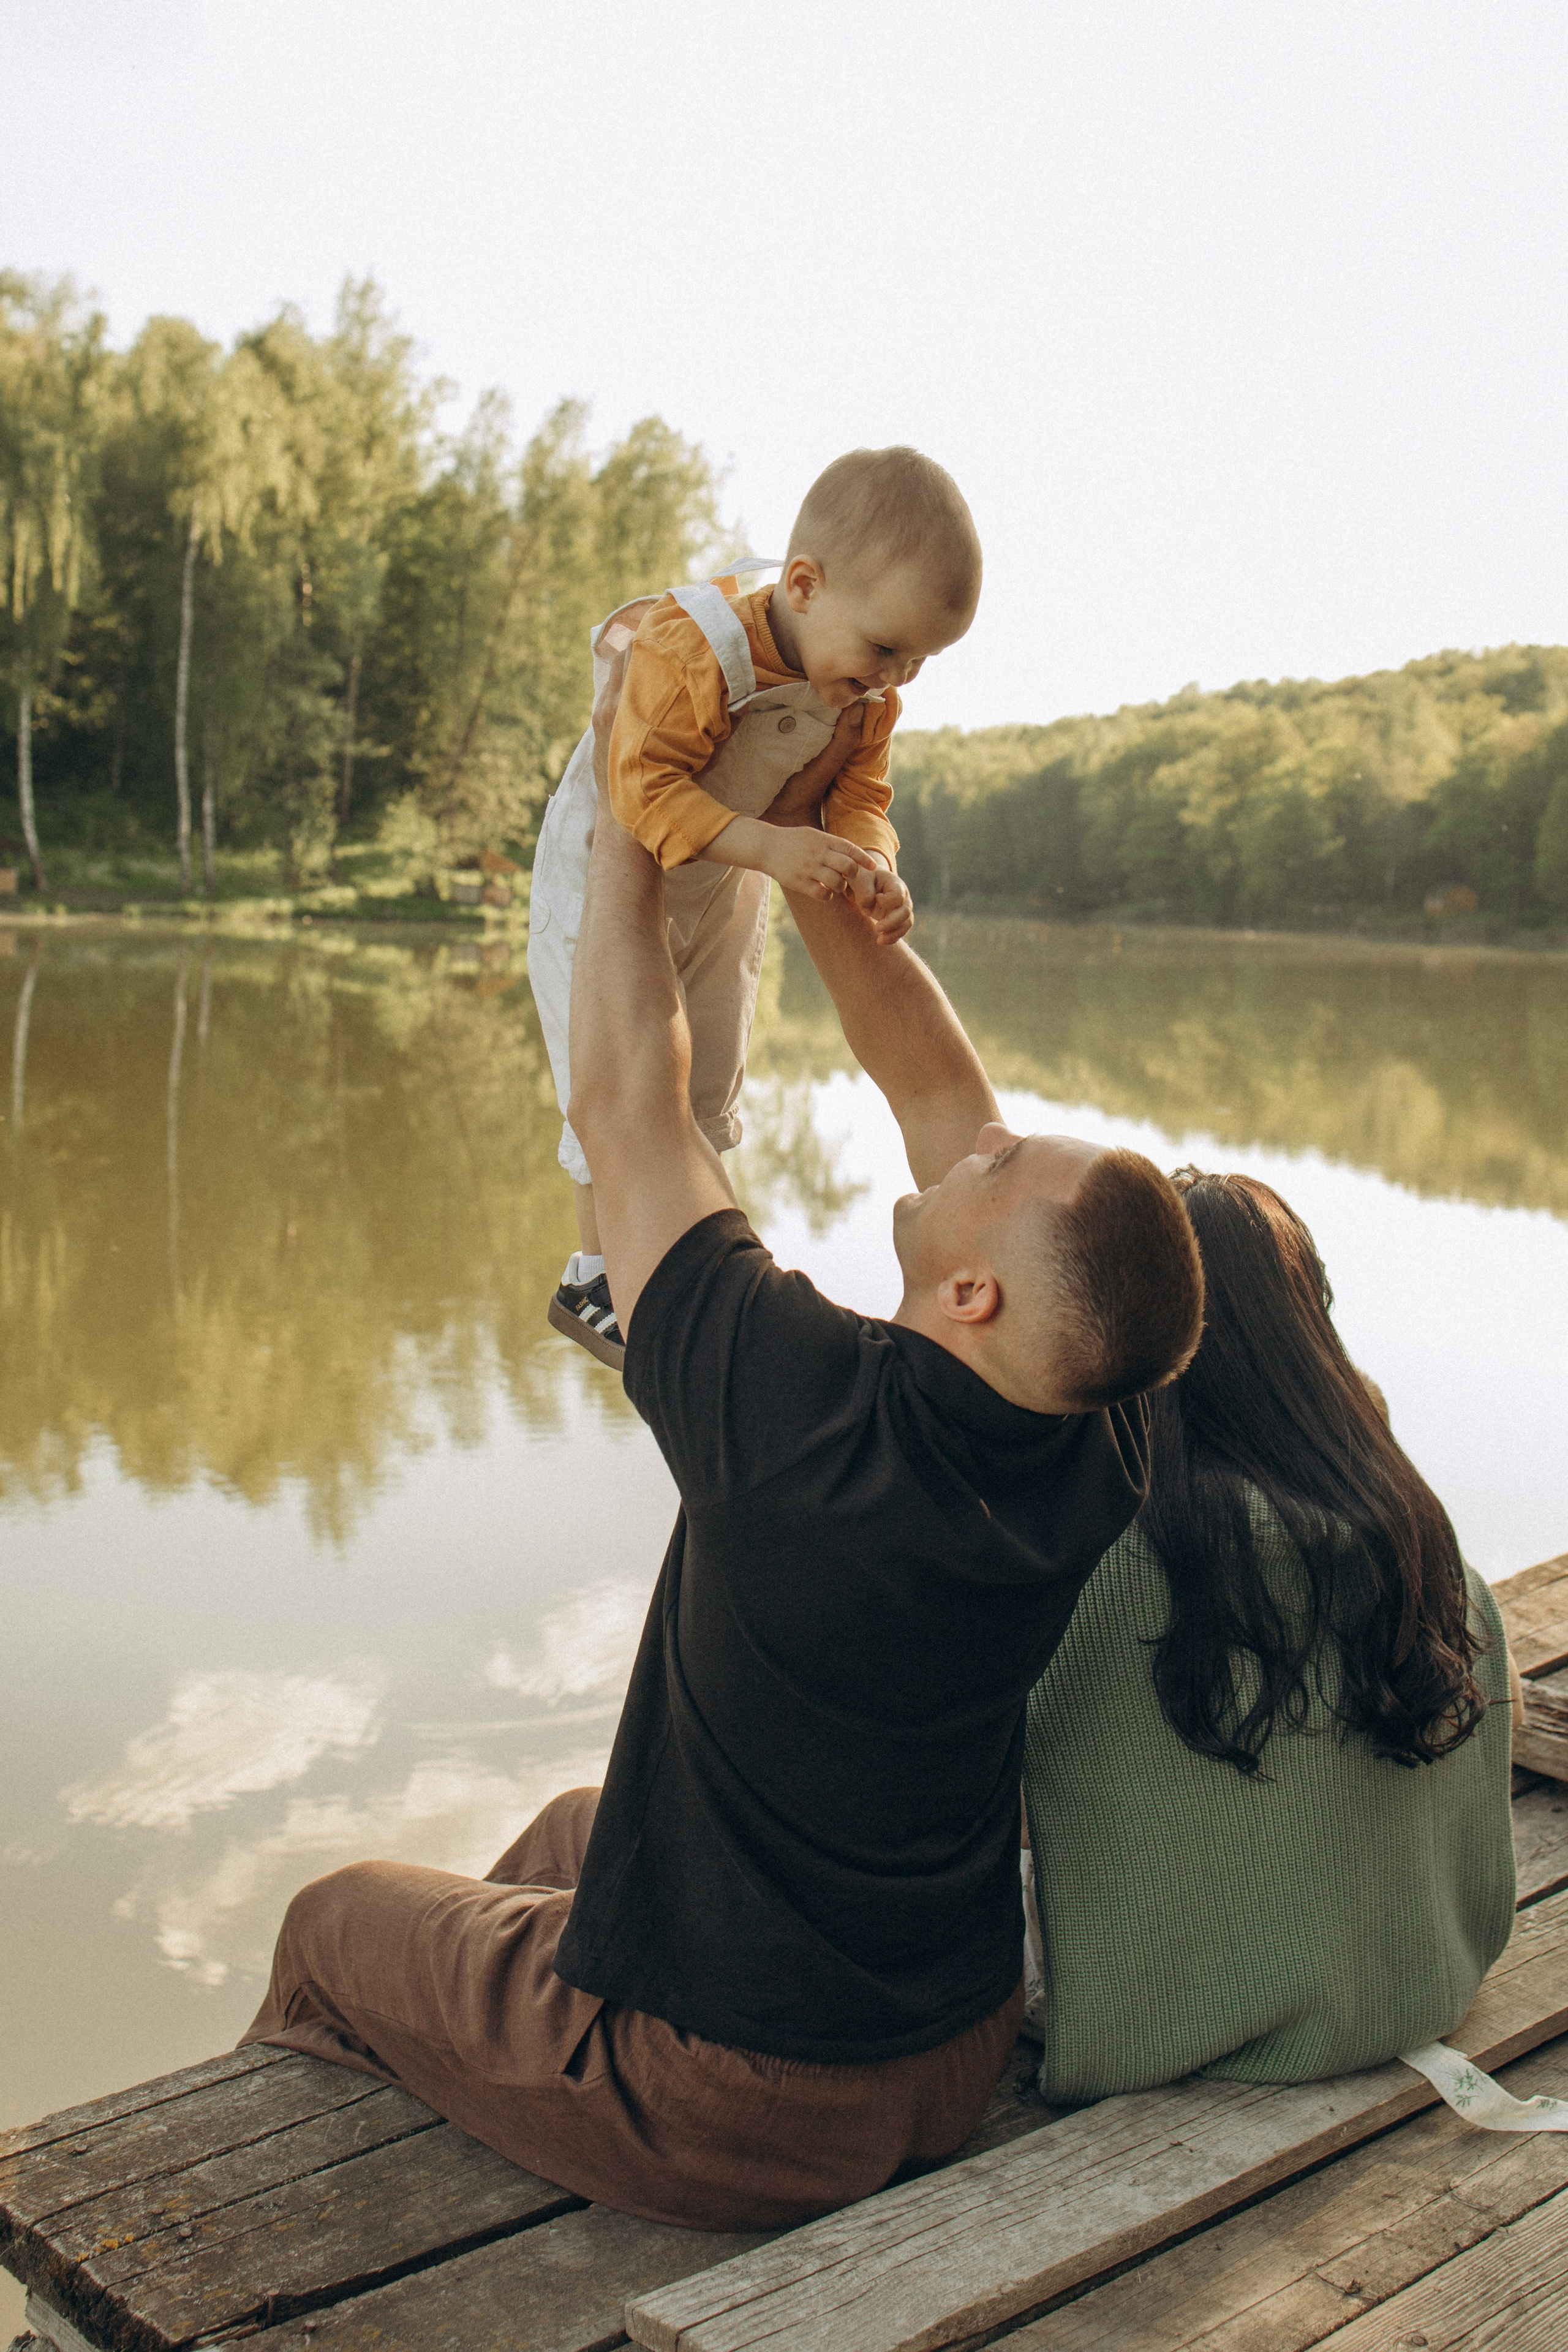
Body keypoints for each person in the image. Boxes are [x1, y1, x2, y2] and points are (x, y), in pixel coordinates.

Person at [242, 714, 1205, 2232]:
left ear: (975, 1297)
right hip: (940, 2050)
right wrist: (818, 849)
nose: (973, 1149)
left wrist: (644, 807)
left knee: (330, 1925)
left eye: (1000, 1173)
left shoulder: (792, 1405)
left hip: (730, 2091)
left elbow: (632, 1098)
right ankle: (501, 2077)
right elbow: (929, 1080)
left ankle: (295, 2226)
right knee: (576, 1827)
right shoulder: (1099, 1421)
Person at [1020, 1169, 1517, 2106]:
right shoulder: (1419, 1536)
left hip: (1165, 2031)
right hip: (1422, 1994)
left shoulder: (1099, 1568)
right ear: (1311, 1322)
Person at [527, 443, 979, 1369]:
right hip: (605, 869)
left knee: (710, 1065)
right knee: (615, 1073)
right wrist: (773, 846)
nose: (897, 679)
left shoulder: (860, 689)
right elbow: (641, 790)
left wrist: (873, 861)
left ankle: (679, 1260)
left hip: (726, 871)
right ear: (804, 586)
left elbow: (859, 795)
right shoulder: (694, 649)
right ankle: (596, 1277)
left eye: (921, 661)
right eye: (887, 649)